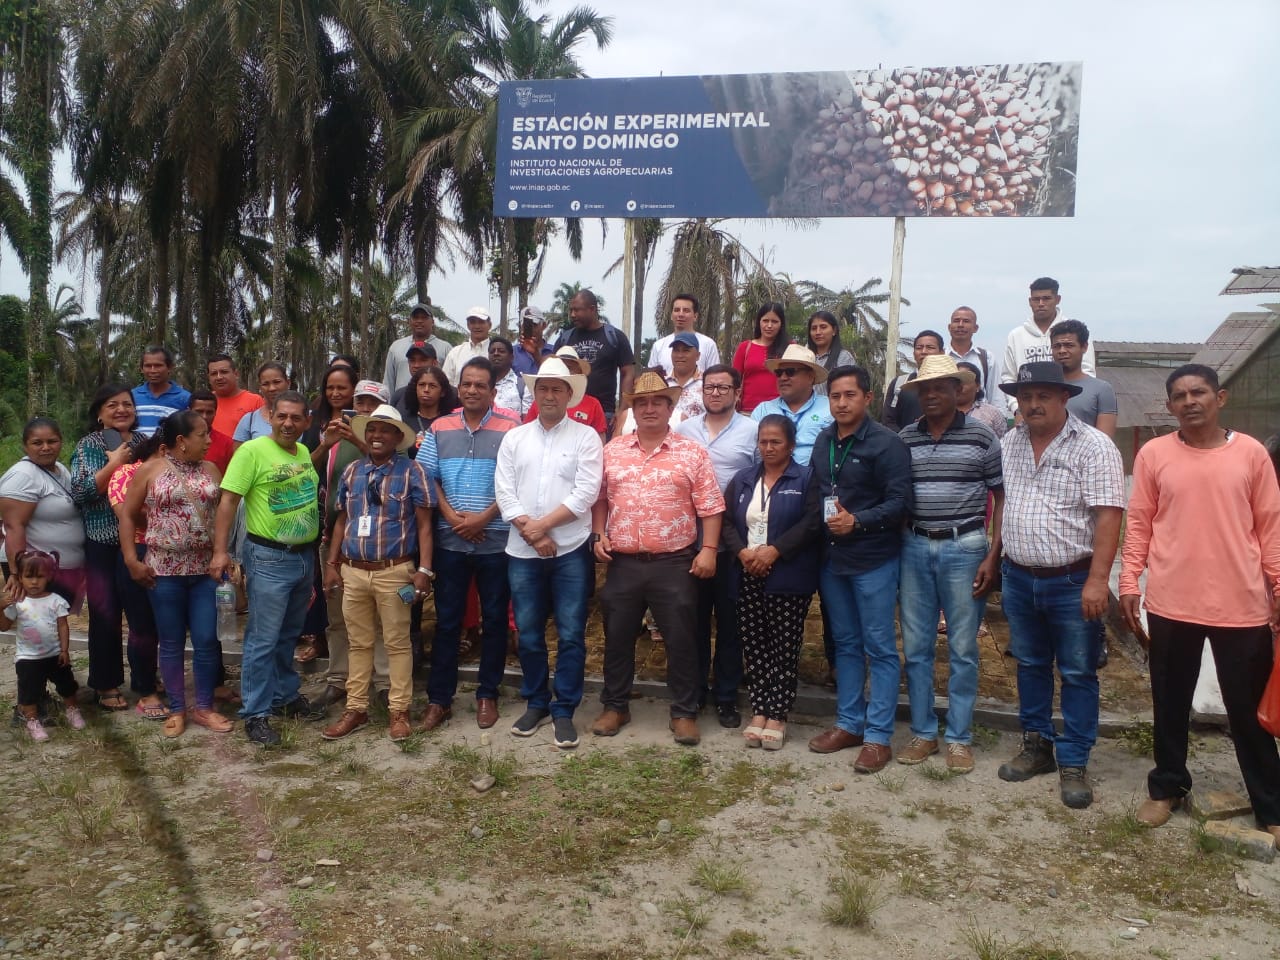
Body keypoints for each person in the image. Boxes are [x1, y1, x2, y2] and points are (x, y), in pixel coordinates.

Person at [1119, 364, 1280, 838]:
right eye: (1180, 395)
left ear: (1219, 398)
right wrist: (1129, 581)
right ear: (1170, 406)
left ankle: (1271, 805)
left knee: (1248, 712)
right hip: (1172, 602)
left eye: (1199, 392)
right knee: (1169, 702)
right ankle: (1167, 786)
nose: (1190, 401)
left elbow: (1270, 527)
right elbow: (1140, 522)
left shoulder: (1250, 454)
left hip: (1241, 604)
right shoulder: (1154, 455)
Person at [996, 361, 1124, 809]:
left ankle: (1074, 760)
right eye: (1025, 396)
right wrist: (995, 558)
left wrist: (1098, 581)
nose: (1033, 404)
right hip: (1018, 576)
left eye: (1043, 396)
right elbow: (1004, 502)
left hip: (1072, 580)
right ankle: (1036, 745)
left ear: (1064, 397)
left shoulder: (1093, 446)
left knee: (1077, 671)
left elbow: (1108, 515)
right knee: (1030, 664)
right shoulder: (1010, 442)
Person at [591, 371, 725, 746]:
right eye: (642, 403)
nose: (649, 408)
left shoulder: (692, 453)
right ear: (633, 409)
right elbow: (600, 498)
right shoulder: (612, 451)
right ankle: (615, 705)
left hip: (674, 562)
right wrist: (599, 533)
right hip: (624, 562)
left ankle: (684, 711)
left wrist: (709, 550)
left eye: (658, 402)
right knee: (617, 637)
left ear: (670, 407)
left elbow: (711, 506)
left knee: (682, 639)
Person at [895, 356, 1004, 773]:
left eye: (940, 387)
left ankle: (959, 737)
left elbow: (1001, 497)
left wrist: (993, 553)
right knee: (916, 647)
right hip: (915, 545)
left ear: (958, 390)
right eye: (925, 389)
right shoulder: (906, 438)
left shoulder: (982, 436)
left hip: (965, 546)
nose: (931, 395)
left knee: (963, 647)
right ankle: (924, 732)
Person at [493, 357, 603, 749]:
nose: (550, 395)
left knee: (571, 633)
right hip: (523, 552)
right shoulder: (515, 438)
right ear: (535, 393)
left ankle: (565, 709)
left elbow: (586, 492)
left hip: (570, 549)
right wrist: (532, 531)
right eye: (544, 388)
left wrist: (542, 526)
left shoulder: (586, 438)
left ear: (570, 395)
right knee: (528, 632)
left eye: (558, 388)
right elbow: (504, 490)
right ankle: (537, 702)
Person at [808, 365, 911, 773]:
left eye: (850, 395)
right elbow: (818, 493)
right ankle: (849, 723)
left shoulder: (887, 444)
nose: (842, 403)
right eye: (835, 396)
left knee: (879, 647)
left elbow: (900, 503)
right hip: (833, 560)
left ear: (868, 398)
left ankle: (878, 736)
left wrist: (859, 521)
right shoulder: (824, 441)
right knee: (846, 644)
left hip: (873, 559)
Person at [211, 390, 327, 745]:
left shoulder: (303, 451)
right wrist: (220, 552)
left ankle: (284, 696)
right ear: (270, 417)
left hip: (302, 558)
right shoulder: (251, 451)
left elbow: (298, 478)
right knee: (262, 639)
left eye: (296, 418)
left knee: (288, 634)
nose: (288, 424)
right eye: (282, 416)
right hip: (268, 558)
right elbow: (228, 500)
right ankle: (256, 712)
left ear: (307, 421)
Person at [416, 358, 518, 731]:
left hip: (496, 541)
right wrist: (452, 516)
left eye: (480, 385)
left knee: (495, 620)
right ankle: (439, 700)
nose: (472, 390)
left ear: (493, 391)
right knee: (447, 622)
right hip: (451, 541)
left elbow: (516, 481)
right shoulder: (440, 427)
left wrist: (483, 518)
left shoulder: (512, 429)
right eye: (467, 384)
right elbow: (427, 476)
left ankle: (487, 694)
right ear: (458, 388)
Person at [322, 406, 434, 743]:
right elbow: (342, 520)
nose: (376, 436)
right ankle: (356, 707)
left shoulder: (412, 471)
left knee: (397, 643)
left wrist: (424, 570)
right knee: (358, 642)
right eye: (372, 429)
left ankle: (399, 711)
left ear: (398, 437)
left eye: (385, 430)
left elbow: (425, 525)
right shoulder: (353, 471)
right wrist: (332, 564)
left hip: (394, 570)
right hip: (354, 571)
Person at [120, 411, 233, 738]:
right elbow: (127, 515)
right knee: (170, 641)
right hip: (163, 571)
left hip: (205, 571)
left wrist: (223, 552)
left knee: (207, 640)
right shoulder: (150, 469)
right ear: (181, 441)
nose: (209, 440)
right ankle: (178, 709)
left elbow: (224, 513)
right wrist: (131, 559)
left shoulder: (211, 469)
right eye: (202, 434)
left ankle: (204, 707)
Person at [722, 415, 821, 750]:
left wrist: (775, 551)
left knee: (783, 646)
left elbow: (812, 523)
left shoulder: (805, 478)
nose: (768, 448)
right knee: (755, 644)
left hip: (787, 575)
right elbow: (727, 522)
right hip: (747, 572)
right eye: (763, 441)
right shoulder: (743, 479)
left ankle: (778, 714)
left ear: (791, 445)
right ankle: (759, 709)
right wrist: (742, 553)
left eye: (776, 441)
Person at [70, 383, 161, 715]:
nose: (122, 410)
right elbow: (81, 492)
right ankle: (106, 683)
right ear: (99, 413)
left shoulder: (143, 443)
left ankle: (145, 682)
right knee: (105, 614)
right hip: (102, 543)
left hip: (140, 542)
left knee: (143, 615)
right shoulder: (88, 445)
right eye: (112, 405)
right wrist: (115, 465)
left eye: (127, 404)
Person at [677, 365, 758, 728]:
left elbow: (762, 479)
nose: (715, 393)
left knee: (730, 624)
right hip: (688, 541)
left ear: (737, 392)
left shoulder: (752, 431)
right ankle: (693, 693)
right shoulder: (684, 430)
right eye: (710, 387)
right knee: (692, 622)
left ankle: (726, 696)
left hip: (734, 544)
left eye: (723, 388)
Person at [0, 418, 85, 608]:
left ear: (61, 442)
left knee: (56, 621)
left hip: (62, 569)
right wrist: (17, 574)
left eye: (52, 441)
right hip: (35, 572)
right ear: (25, 446)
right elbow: (14, 527)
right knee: (36, 623)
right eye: (37, 443)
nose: (46, 447)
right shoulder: (23, 476)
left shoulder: (60, 469)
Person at [2, 550, 85, 741]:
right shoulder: (18, 603)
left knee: (67, 685)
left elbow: (62, 626)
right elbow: (4, 626)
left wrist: (64, 649)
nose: (34, 582)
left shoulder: (56, 600)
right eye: (28, 576)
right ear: (19, 578)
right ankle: (32, 721)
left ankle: (72, 710)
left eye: (39, 577)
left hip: (55, 654)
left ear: (49, 576)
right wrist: (1, 607)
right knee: (28, 692)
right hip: (28, 658)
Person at [999, 277, 1096, 416]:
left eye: (1046, 298)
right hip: (1029, 411)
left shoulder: (1075, 332)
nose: (1041, 304)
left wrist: (1072, 403)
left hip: (1070, 409)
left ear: (1057, 299)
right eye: (1036, 299)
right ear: (1030, 301)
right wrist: (1017, 408)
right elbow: (1009, 377)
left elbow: (1087, 372)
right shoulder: (1016, 336)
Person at [553, 290, 635, 431]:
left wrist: (622, 409)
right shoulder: (565, 338)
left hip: (604, 413)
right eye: (571, 310)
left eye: (577, 310)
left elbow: (628, 373)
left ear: (592, 309)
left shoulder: (614, 337)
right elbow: (552, 370)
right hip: (569, 412)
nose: (572, 315)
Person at [749, 344, 832, 466]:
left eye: (790, 372)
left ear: (810, 377)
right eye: (779, 373)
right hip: (770, 476)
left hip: (815, 476)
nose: (783, 378)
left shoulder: (830, 408)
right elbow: (751, 453)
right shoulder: (763, 410)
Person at [523, 346, 608, 440]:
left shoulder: (593, 404)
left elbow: (600, 438)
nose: (565, 370)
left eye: (569, 368)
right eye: (561, 366)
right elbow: (527, 432)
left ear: (579, 372)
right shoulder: (541, 403)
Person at [1050, 320, 1117, 438]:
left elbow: (1104, 440)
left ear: (1084, 347)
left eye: (1069, 345)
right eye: (1057, 346)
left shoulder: (1101, 389)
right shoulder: (1039, 387)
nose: (1062, 351)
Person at [384, 302, 452, 397]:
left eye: (424, 318)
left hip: (434, 403)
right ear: (409, 321)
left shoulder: (445, 348)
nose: (419, 321)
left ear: (432, 322)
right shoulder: (396, 347)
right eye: (415, 318)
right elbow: (388, 382)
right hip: (402, 403)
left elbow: (449, 382)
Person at [881, 330, 944, 430]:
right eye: (919, 348)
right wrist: (906, 436)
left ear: (942, 353)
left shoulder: (950, 383)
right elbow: (888, 420)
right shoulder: (900, 383)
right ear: (914, 354)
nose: (924, 352)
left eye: (930, 347)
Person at [732, 302, 787, 413]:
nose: (769, 325)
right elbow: (734, 380)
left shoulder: (789, 348)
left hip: (780, 412)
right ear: (758, 322)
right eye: (765, 321)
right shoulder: (745, 347)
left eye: (774, 321)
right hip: (747, 412)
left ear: (781, 324)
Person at [648, 294, 721, 376]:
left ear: (695, 316)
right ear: (671, 315)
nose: (680, 314)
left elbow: (715, 377)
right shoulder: (658, 346)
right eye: (676, 310)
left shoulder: (708, 344)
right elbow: (651, 378)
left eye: (686, 310)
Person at [133, 345, 192, 436]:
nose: (153, 370)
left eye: (158, 365)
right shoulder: (132, 396)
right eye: (148, 366)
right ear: (141, 369)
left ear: (170, 367)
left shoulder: (185, 398)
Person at [399, 366, 458, 456]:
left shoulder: (452, 421)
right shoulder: (403, 421)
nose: (426, 390)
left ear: (443, 392)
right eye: (422, 385)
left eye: (432, 386)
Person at [946, 306, 1001, 396]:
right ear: (949, 327)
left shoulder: (986, 358)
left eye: (966, 321)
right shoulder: (940, 356)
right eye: (956, 321)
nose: (960, 325)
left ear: (975, 328)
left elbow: (995, 395)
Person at [233, 362, 292, 445]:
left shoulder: (305, 416)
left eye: (277, 382)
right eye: (265, 384)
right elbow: (239, 451)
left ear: (288, 383)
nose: (272, 388)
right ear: (260, 387)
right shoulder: (249, 420)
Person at [206, 354, 263, 437]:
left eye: (224, 372)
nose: (219, 377)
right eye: (214, 373)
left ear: (236, 374)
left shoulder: (254, 401)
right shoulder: (205, 402)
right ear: (209, 378)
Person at [806, 310, 854, 397]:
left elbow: (847, 389)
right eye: (814, 328)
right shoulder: (804, 356)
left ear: (834, 331)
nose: (818, 332)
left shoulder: (843, 357)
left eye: (823, 327)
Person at [442, 307, 494, 385]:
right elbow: (446, 383)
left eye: (481, 322)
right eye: (473, 322)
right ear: (468, 325)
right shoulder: (455, 353)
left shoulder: (497, 352)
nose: (477, 326)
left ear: (489, 325)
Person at [955, 361, 1007, 438]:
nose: (959, 387)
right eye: (956, 382)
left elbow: (1002, 442)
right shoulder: (943, 412)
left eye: (964, 382)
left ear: (978, 386)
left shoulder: (992, 414)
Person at [189, 390, 235, 473]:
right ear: (189, 411)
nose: (204, 416)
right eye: (199, 411)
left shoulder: (227, 444)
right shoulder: (178, 441)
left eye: (209, 412)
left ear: (215, 413)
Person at [665, 333, 706, 420]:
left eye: (686, 350)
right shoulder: (661, 383)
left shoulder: (708, 384)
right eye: (676, 350)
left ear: (698, 356)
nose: (680, 355)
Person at [489, 336, 531, 418]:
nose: (496, 354)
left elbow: (527, 420)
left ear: (511, 357)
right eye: (492, 351)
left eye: (501, 351)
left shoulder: (523, 385)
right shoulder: (482, 384)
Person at [389, 343, 438, 410]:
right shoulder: (398, 396)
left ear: (434, 363)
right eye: (412, 360)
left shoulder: (447, 394)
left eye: (423, 360)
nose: (416, 365)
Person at [512, 305, 554, 374]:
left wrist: (536, 355)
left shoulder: (555, 351)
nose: (531, 329)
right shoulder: (512, 353)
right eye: (526, 325)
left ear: (543, 325)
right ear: (521, 327)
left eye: (534, 325)